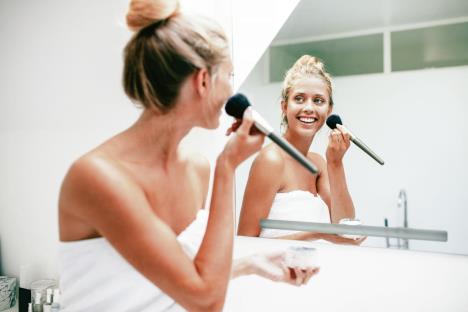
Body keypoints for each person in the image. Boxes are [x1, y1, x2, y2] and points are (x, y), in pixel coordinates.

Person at [58, 1, 318, 311]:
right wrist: (228, 167)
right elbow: (205, 300)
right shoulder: (98, 178)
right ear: (203, 81)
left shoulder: (196, 169)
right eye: (229, 77)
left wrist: (251, 263)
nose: (230, 92)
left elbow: (175, 279)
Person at [237, 55, 365, 245]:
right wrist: (316, 234)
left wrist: (335, 163)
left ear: (329, 111)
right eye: (299, 99)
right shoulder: (271, 160)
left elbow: (344, 228)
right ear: (284, 106)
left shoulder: (319, 163)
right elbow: (245, 241)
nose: (308, 108)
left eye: (318, 101)